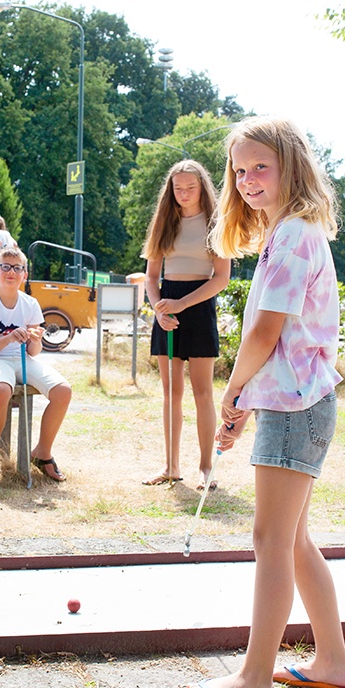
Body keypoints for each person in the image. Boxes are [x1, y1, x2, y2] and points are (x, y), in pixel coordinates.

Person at [191, 117, 345, 688]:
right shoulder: (287, 232)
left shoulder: (292, 236)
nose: (247, 179)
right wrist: (244, 401)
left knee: (269, 541)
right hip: (297, 405)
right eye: (239, 169)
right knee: (292, 540)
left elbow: (264, 333)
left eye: (260, 165)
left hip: (296, 411)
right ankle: (333, 662)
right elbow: (277, 342)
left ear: (292, 167)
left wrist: (232, 395)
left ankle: (254, 675)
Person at [140, 160, 230, 490]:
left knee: (202, 392)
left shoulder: (217, 223)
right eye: (178, 188)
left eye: (190, 188)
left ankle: (207, 468)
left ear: (202, 188)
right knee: (170, 392)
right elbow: (151, 277)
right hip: (167, 305)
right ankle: (170, 467)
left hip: (199, 304)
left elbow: (221, 278)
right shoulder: (164, 221)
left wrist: (182, 304)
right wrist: (160, 309)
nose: (184, 194)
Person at [0, 246, 72, 485]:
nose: (11, 272)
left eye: (17, 268)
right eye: (5, 266)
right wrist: (8, 338)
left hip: (22, 360)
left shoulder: (30, 304)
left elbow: (33, 352)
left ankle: (42, 453)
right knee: (1, 389)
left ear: (24, 275)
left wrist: (35, 341)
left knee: (63, 391)